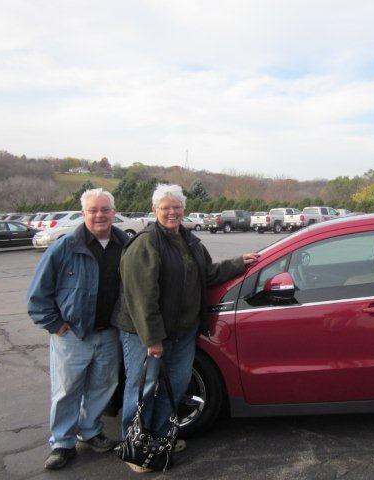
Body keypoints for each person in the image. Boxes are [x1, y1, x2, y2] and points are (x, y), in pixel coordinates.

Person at [113, 184, 258, 473]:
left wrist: (238, 263)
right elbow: (142, 298)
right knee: (144, 387)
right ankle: (137, 446)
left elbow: (207, 273)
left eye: (176, 207)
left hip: (183, 332)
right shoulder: (146, 243)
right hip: (147, 333)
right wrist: (153, 339)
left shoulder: (188, 240)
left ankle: (161, 438)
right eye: (166, 207)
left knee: (174, 387)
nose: (172, 212)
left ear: (183, 210)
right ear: (155, 210)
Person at [27, 188, 128, 470]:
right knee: (66, 390)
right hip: (72, 335)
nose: (100, 215)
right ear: (83, 214)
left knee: (102, 386)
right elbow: (38, 294)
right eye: (93, 210)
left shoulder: (125, 244)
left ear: (113, 212)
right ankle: (62, 443)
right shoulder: (64, 247)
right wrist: (56, 325)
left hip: (109, 333)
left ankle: (91, 430)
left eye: (105, 209)